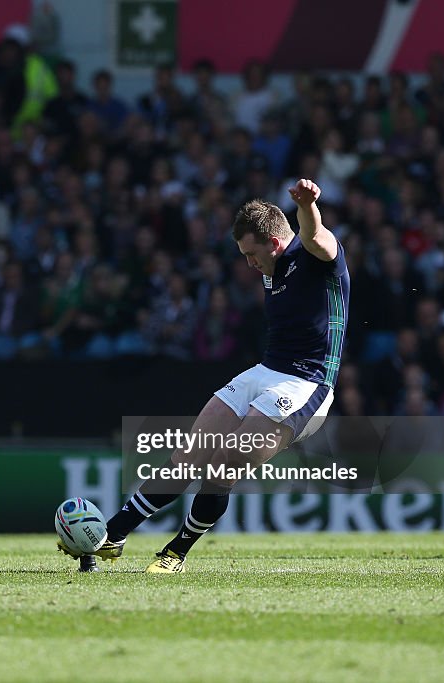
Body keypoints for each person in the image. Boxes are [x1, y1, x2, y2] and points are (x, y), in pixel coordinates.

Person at [60, 179, 349, 573]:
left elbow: (315, 235)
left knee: (223, 464)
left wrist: (308, 206)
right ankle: (113, 533)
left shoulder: (318, 257)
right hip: (264, 372)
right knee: (186, 461)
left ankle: (176, 552)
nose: (249, 264)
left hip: (307, 385)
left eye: (251, 254)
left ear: (275, 243)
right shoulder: (273, 264)